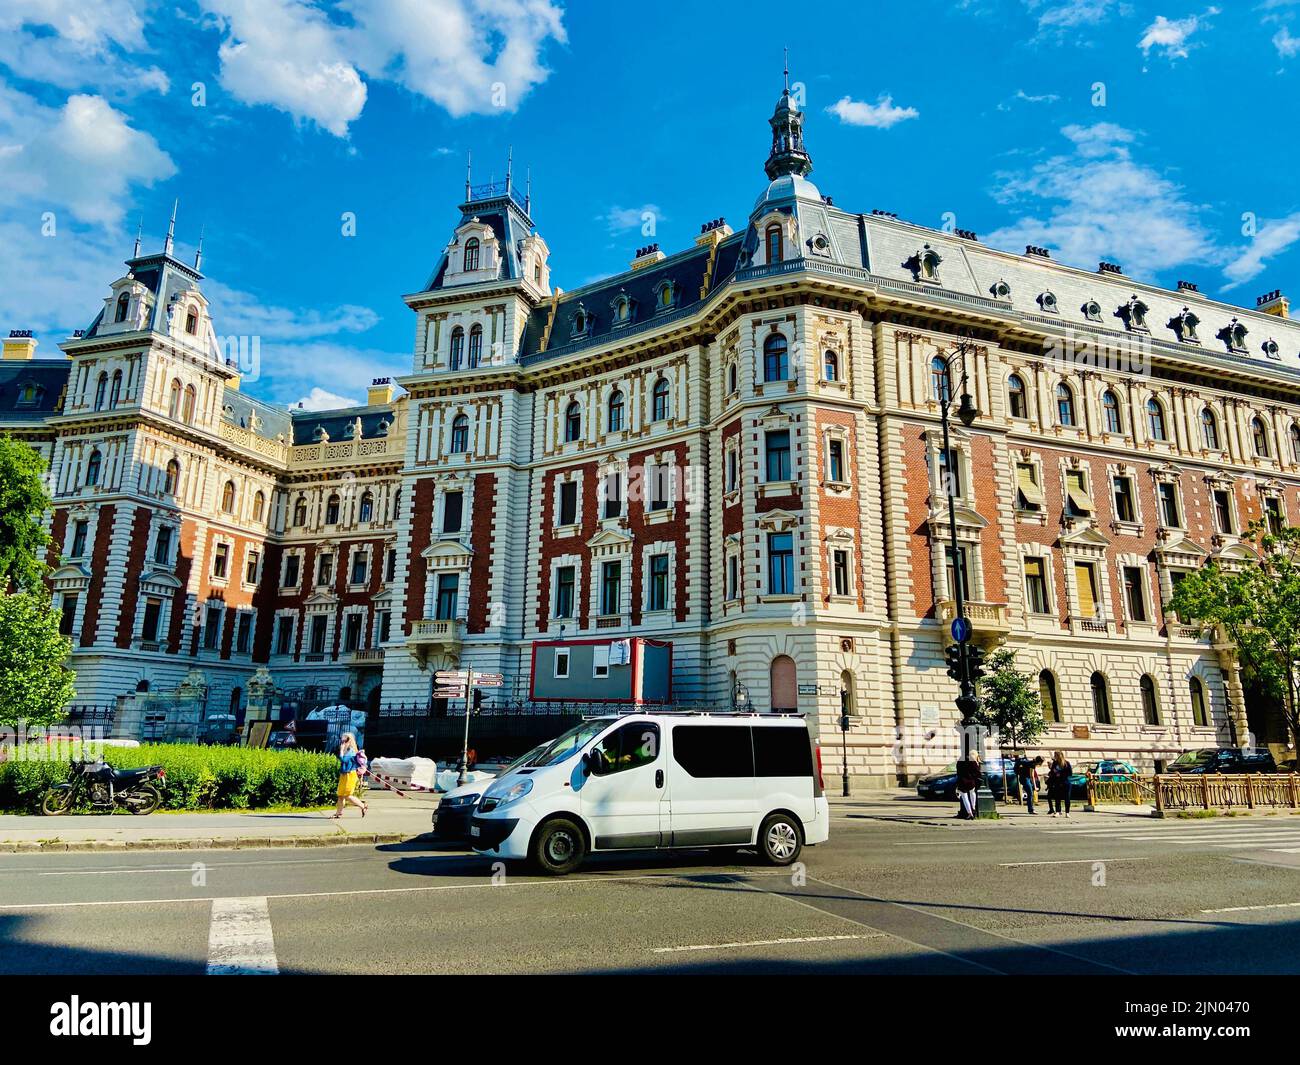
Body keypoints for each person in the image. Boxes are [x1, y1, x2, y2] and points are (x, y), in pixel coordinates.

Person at [332, 732, 368, 819]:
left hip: (350, 775)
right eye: (342, 740)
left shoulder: (351, 751)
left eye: (344, 740)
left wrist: (341, 750)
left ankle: (363, 806)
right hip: (344, 774)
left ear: (349, 741)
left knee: (347, 795)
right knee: (340, 795)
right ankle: (338, 813)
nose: (342, 742)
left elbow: (344, 760)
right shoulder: (347, 750)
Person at [955, 749, 982, 820]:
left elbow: (958, 771)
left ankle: (970, 813)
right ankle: (973, 808)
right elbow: (977, 772)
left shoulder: (960, 760)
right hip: (971, 781)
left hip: (962, 781)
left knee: (965, 797)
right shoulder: (973, 761)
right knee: (972, 793)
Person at [1047, 750, 1073, 818]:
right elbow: (1052, 772)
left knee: (1067, 798)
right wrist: (1053, 773)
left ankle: (1067, 812)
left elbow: (1070, 773)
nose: (1054, 756)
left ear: (1059, 755)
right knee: (1057, 798)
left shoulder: (1066, 763)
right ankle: (1058, 811)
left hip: (1065, 782)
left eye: (1055, 755)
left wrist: (1060, 774)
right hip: (1057, 783)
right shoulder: (1055, 763)